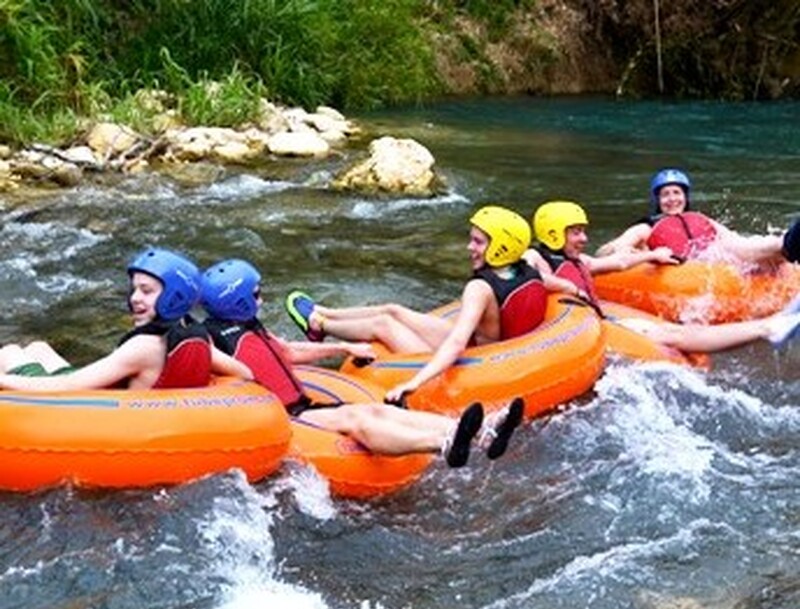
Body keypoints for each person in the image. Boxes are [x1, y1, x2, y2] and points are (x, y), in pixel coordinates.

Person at [199, 258, 525, 468]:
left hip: (300, 405)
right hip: (279, 419)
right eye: (256, 295)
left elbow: (286, 354)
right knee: (358, 418)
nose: (262, 299)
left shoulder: (250, 327)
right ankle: (444, 443)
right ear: (237, 300)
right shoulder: (213, 339)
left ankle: (483, 432)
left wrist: (342, 347)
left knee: (380, 410)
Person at [284, 205, 547, 404]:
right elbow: (553, 283)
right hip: (485, 344)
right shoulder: (527, 265)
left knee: (384, 324)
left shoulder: (479, 289)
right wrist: (578, 292)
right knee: (393, 310)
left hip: (476, 358)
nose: (469, 247)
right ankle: (325, 311)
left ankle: (320, 325)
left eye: (478, 242)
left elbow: (456, 343)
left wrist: (414, 382)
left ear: (501, 247)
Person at [526, 201, 800, 352]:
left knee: (675, 334)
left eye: (583, 231)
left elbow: (619, 262)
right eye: (576, 232)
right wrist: (567, 287)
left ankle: (770, 327)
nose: (584, 238)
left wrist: (649, 256)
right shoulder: (535, 257)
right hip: (568, 331)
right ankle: (768, 328)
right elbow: (531, 276)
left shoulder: (581, 261)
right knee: (674, 336)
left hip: (593, 321)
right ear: (552, 233)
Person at [0, 247, 249, 392]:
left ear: (175, 296)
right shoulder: (197, 335)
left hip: (86, 409)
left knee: (8, 353)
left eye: (147, 291)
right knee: (38, 348)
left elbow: (68, 386)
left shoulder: (144, 347)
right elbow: (244, 373)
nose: (135, 298)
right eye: (135, 289)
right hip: (130, 397)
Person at [596, 168, 800, 268]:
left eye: (676, 193)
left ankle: (786, 244)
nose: (672, 199)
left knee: (748, 251)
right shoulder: (646, 227)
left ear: (685, 196)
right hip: (678, 273)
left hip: (709, 265)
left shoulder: (700, 220)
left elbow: (735, 242)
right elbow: (604, 251)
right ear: (658, 200)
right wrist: (629, 251)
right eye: (665, 194)